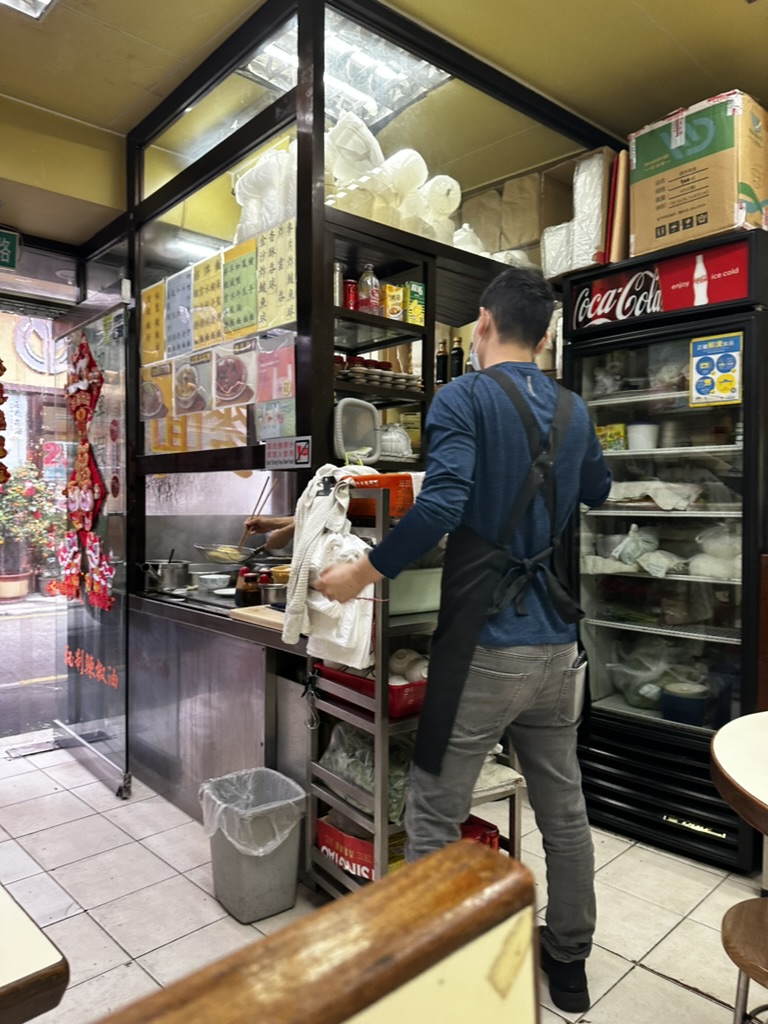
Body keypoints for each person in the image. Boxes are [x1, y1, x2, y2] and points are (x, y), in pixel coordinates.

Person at [314, 266, 611, 1014]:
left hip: (485, 644)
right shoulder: (574, 409)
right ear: (546, 335)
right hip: (557, 648)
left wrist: (358, 574)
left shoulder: (463, 397)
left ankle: (438, 972)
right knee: (563, 811)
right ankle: (569, 961)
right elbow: (597, 490)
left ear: (482, 323)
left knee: (434, 813)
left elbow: (441, 504)